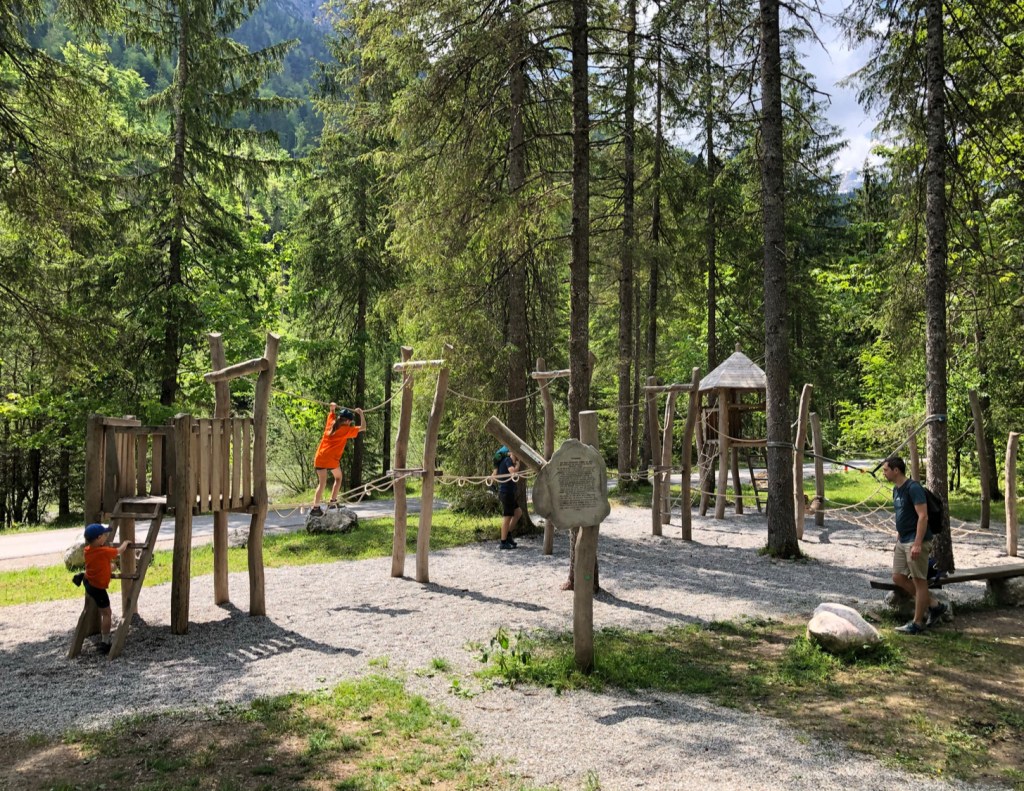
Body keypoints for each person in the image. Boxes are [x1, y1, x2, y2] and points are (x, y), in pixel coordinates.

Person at [881, 456, 947, 634]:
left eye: (886, 470)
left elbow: (923, 516)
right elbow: (902, 516)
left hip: (916, 541)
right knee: (898, 577)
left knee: (919, 581)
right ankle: (934, 605)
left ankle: (917, 623)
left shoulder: (913, 488)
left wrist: (917, 543)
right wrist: (898, 539)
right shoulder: (896, 490)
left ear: (896, 470)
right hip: (903, 540)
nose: (884, 473)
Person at [73, 523, 130, 654]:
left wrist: (110, 567)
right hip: (98, 587)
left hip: (88, 582)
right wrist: (125, 543)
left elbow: (100, 563)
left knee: (109, 567)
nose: (106, 537)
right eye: (105, 535)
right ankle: (105, 642)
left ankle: (82, 575)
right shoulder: (104, 551)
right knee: (107, 613)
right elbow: (119, 550)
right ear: (99, 538)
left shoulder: (87, 550)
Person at [312, 403, 365, 516]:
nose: (350, 424)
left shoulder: (331, 423)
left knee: (322, 483)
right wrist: (361, 414)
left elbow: (331, 411)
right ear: (347, 421)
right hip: (332, 459)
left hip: (320, 457)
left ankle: (315, 508)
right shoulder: (346, 430)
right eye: (350, 422)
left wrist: (332, 408)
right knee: (338, 478)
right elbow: (363, 427)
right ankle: (332, 502)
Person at [493, 446, 521, 549]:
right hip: (506, 492)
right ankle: (503, 542)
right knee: (507, 516)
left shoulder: (504, 460)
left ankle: (508, 534)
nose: (517, 458)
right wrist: (517, 465)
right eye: (516, 456)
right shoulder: (508, 460)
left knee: (518, 512)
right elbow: (513, 472)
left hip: (508, 492)